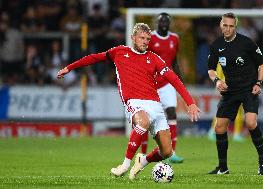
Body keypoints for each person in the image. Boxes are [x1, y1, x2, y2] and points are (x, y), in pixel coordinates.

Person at [57, 23, 201, 180]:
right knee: (143, 122)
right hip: (134, 102)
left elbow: (173, 78)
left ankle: (143, 160)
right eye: (142, 38)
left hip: (155, 106)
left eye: (148, 39)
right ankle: (124, 165)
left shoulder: (154, 58)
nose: (145, 41)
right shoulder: (119, 52)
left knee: (167, 151)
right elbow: (94, 58)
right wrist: (69, 68)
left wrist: (190, 102)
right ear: (133, 38)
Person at [207, 13, 263, 175]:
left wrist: (258, 83)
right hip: (230, 91)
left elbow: (262, 65)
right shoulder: (216, 45)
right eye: (225, 25)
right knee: (219, 128)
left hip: (249, 89)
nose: (227, 29)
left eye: (231, 26)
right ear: (221, 25)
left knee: (250, 123)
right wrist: (218, 81)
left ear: (236, 27)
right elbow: (211, 70)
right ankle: (223, 167)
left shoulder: (246, 43)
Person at [140, 12, 184, 163]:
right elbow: (142, 58)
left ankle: (172, 152)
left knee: (171, 113)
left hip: (167, 82)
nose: (164, 23)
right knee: (145, 118)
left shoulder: (175, 38)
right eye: (161, 20)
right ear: (156, 22)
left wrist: (179, 81)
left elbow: (175, 60)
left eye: (166, 20)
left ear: (169, 23)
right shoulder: (150, 37)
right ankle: (142, 153)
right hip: (151, 82)